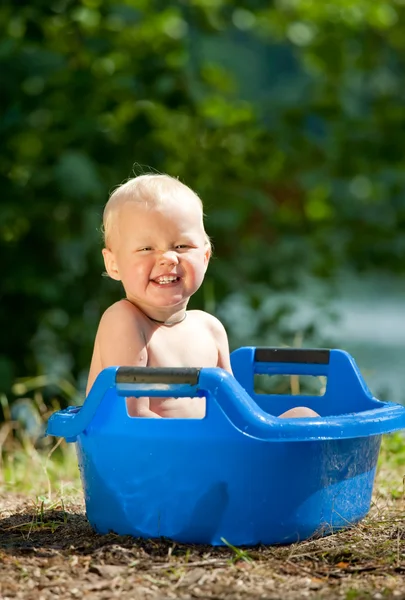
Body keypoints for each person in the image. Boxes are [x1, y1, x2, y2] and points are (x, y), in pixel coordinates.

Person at [86, 173, 318, 419]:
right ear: (113, 264)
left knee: (302, 415)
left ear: (205, 258)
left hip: (210, 452)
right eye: (146, 248)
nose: (168, 258)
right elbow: (128, 420)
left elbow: (237, 414)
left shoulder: (210, 329)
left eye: (181, 246)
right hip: (148, 455)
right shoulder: (124, 321)